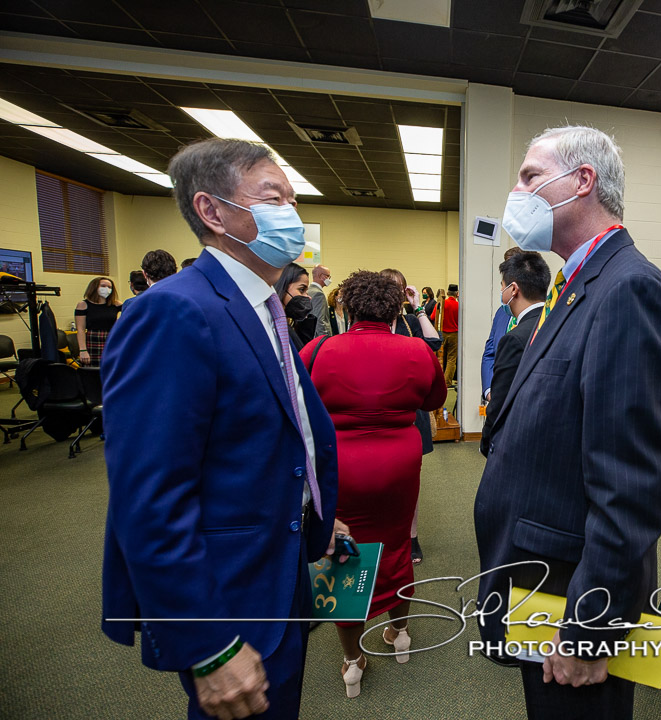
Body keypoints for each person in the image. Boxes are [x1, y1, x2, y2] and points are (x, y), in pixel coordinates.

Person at [100, 137, 346, 720]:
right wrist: (205, 643)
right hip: (228, 599)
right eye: (272, 197)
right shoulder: (175, 311)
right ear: (211, 211)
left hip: (277, 566)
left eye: (290, 198)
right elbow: (149, 498)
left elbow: (271, 434)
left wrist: (312, 507)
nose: (290, 213)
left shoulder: (261, 306)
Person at [474, 125, 661, 719]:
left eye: (531, 176)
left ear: (583, 181)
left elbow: (632, 478)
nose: (518, 189)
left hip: (575, 591)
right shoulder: (578, 281)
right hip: (544, 571)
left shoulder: (628, 287)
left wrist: (591, 626)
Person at [299, 270, 446, 699]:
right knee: (398, 543)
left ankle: (352, 661)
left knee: (342, 553)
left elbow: (300, 405)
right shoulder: (417, 350)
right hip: (398, 465)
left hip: (340, 466)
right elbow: (434, 401)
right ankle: (399, 633)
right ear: (397, 307)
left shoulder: (319, 348)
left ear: (345, 305)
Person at [380, 268, 443, 564]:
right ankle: (380, 534)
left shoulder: (409, 321)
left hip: (409, 411)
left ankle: (411, 537)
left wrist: (417, 306)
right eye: (389, 288)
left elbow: (434, 343)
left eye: (400, 289)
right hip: (378, 410)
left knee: (409, 478)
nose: (395, 294)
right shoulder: (371, 321)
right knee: (379, 479)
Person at [479, 250, 549, 457]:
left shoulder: (514, 339)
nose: (501, 291)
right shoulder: (560, 323)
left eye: (502, 286)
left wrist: (486, 443)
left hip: (516, 435)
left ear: (513, 289)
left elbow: (499, 406)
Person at [481, 247, 524, 402]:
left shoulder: (543, 314)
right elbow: (489, 353)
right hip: (498, 401)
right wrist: (489, 391)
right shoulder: (501, 313)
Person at [74, 276, 121, 366]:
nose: (107, 289)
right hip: (93, 340)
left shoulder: (116, 304)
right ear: (94, 287)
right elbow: (80, 329)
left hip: (112, 339)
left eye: (109, 287)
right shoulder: (83, 305)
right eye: (103, 286)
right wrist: (83, 350)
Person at [274, 262, 316, 350]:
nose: (308, 296)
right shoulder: (275, 328)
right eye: (301, 290)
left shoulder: (289, 325)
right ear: (283, 287)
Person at [441, 284, 459, 386]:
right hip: (454, 334)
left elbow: (433, 316)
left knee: (441, 358)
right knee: (451, 359)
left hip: (442, 333)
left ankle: (440, 379)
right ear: (457, 294)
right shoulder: (459, 306)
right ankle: (447, 382)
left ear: (447, 293)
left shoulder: (442, 304)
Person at [309, 264, 332, 337]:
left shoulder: (309, 291)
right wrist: (324, 339)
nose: (329, 279)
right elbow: (319, 320)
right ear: (320, 276)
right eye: (328, 276)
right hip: (319, 338)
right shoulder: (318, 294)